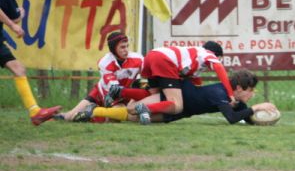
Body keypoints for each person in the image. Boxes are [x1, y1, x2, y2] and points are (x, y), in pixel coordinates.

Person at [82, 69, 276, 125]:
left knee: (133, 117)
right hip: (174, 97)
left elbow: (243, 116)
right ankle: (136, 87)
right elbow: (232, 119)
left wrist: (261, 117)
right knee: (133, 109)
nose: (252, 95)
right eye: (251, 91)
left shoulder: (234, 98)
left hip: (178, 113)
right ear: (240, 88)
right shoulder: (221, 94)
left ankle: (94, 112)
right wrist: (257, 108)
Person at [106, 42, 236, 124]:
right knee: (177, 106)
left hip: (151, 56)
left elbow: (196, 84)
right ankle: (145, 109)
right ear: (215, 54)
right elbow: (219, 68)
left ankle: (119, 91)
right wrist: (230, 94)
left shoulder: (193, 57)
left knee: (154, 96)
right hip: (164, 60)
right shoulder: (207, 53)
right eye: (219, 59)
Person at [0, 0, 61, 125]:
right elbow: (14, 16)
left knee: (18, 68)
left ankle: (35, 112)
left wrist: (15, 18)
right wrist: (17, 19)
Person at [56, 31, 146, 122]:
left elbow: (146, 77)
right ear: (113, 49)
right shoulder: (105, 62)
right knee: (69, 117)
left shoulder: (138, 59)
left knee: (118, 117)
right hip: (104, 93)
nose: (126, 50)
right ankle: (53, 116)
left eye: (127, 46)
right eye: (122, 47)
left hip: (121, 93)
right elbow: (115, 90)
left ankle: (91, 113)